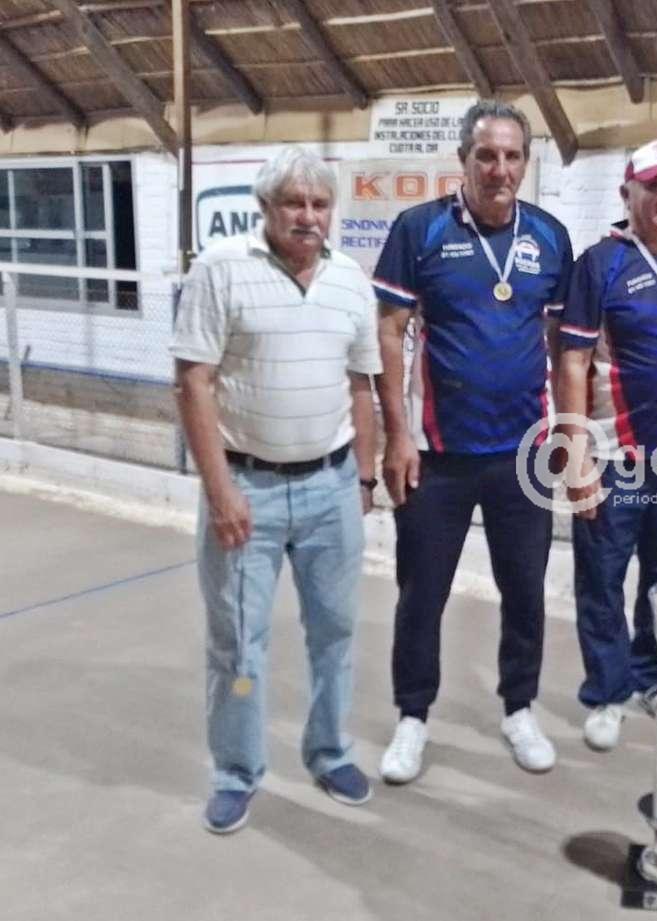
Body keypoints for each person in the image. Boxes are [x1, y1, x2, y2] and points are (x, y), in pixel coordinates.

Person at [172, 146, 381, 834]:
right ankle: (236, 771)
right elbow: (193, 382)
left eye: (320, 204)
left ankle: (330, 751)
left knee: (336, 632)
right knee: (238, 643)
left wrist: (365, 476)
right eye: (294, 203)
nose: (308, 216)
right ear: (265, 207)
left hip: (331, 486)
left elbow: (362, 385)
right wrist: (221, 490)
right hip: (247, 492)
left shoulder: (350, 280)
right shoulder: (221, 269)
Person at [371, 100, 573, 782]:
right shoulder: (420, 230)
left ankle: (519, 708)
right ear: (464, 160)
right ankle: (412, 717)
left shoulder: (549, 236)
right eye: (486, 155)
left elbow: (560, 344)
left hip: (522, 455)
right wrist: (397, 436)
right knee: (421, 593)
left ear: (526, 163)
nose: (499, 169)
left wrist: (564, 431)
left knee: (525, 591)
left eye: (512, 156)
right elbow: (390, 331)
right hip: (437, 455)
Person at [553, 140, 657, 751]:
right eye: (655, 186)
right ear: (628, 193)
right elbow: (571, 360)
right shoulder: (602, 263)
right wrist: (574, 454)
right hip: (614, 455)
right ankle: (606, 692)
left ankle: (652, 677)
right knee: (602, 577)